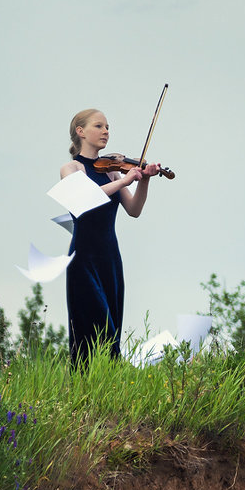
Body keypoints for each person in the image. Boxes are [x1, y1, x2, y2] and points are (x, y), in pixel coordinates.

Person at [61, 108, 164, 368]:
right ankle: (85, 388)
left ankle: (109, 385)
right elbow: (84, 198)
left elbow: (134, 210)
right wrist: (126, 180)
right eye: (99, 126)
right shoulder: (71, 168)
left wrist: (143, 180)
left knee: (112, 332)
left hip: (110, 258)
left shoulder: (112, 171)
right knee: (92, 328)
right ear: (80, 131)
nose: (106, 131)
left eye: (107, 126)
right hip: (83, 259)